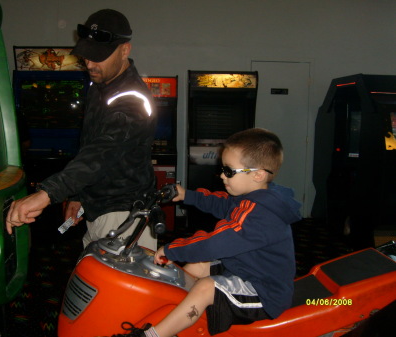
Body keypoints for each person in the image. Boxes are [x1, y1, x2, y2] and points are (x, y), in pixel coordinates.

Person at [113, 128, 302, 337]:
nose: (222, 175)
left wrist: (172, 249)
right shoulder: (253, 197)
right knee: (198, 266)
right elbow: (220, 203)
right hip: (247, 269)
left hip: (265, 292)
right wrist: (187, 195)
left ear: (258, 174)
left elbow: (216, 243)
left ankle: (152, 335)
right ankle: (176, 316)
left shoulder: (261, 215)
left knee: (206, 286)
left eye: (229, 171)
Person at [6, 9, 158, 251]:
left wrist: (46, 194)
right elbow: (88, 144)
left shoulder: (133, 101)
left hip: (124, 215)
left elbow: (100, 154)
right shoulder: (100, 86)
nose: (90, 63)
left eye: (98, 56)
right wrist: (78, 196)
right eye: (87, 55)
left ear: (125, 50)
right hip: (98, 209)